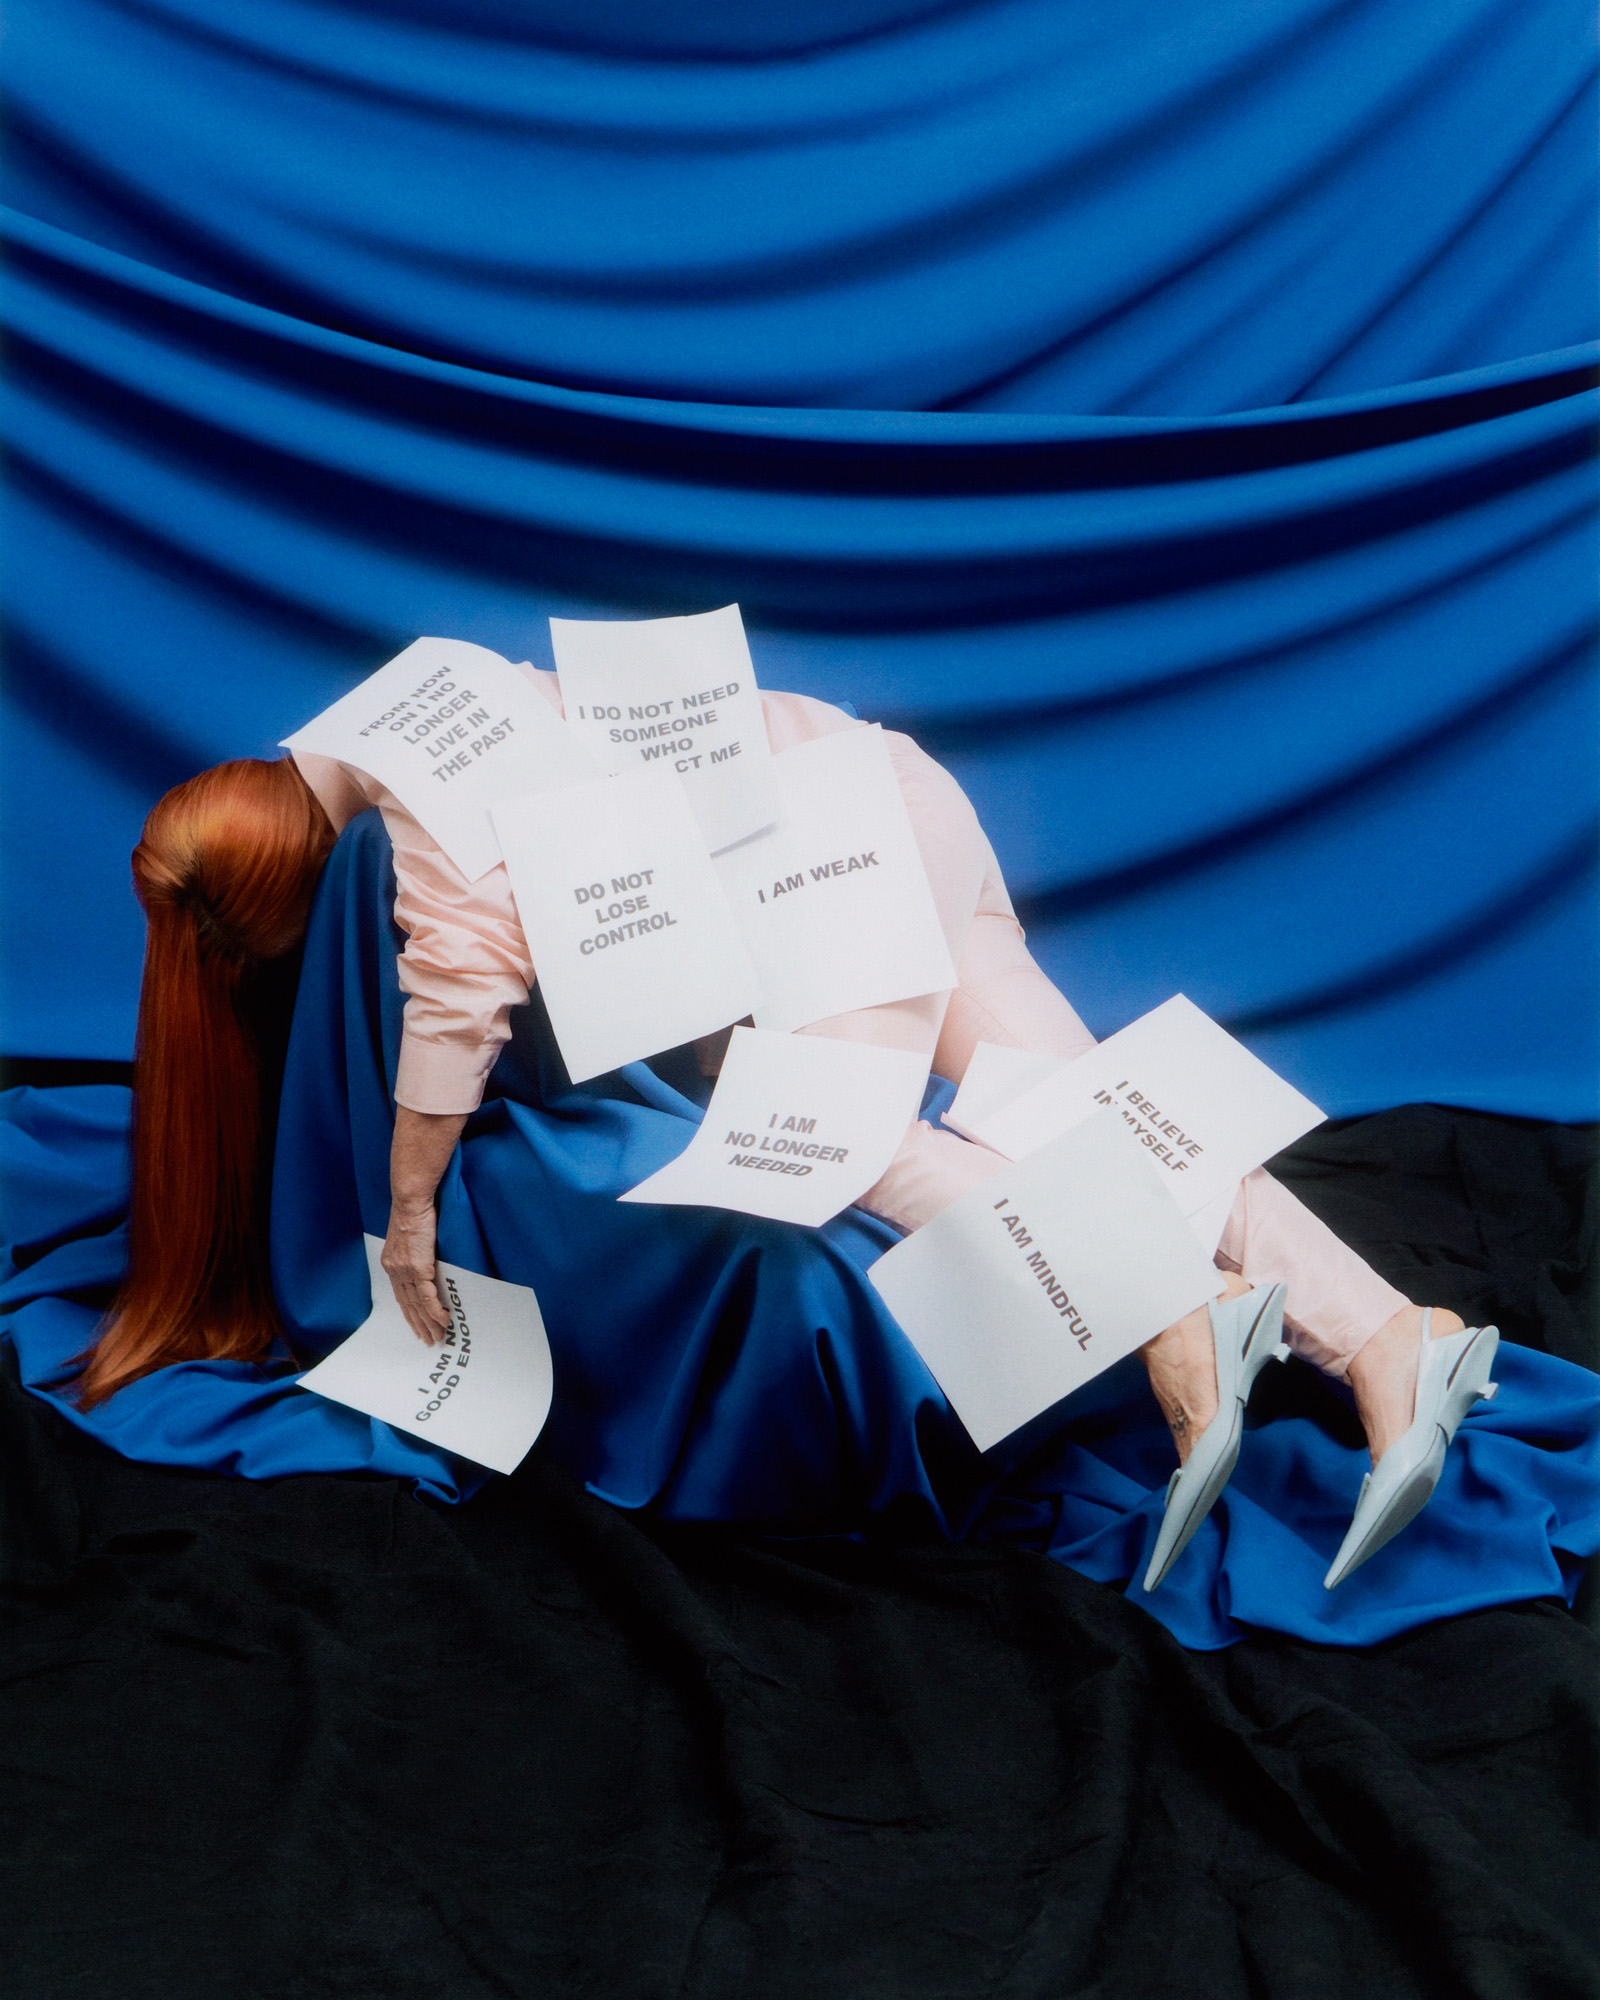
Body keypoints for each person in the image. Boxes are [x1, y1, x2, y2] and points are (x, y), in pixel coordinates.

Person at [74, 669, 1514, 1614]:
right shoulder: (392, 711)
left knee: (851, 1147)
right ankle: (1391, 1337)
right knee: (1070, 1096)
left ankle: (1175, 1309)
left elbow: (459, 997)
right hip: (887, 786)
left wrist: (405, 1218)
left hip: (822, 859)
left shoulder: (402, 832)